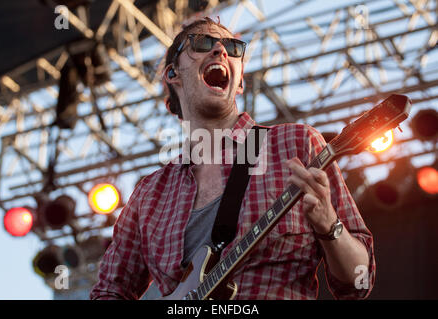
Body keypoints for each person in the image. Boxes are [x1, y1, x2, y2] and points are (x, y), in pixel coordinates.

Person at [90, 17, 375, 300]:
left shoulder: (296, 144)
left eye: (233, 48)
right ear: (173, 74)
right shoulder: (149, 194)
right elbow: (108, 291)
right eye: (202, 43)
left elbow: (360, 281)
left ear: (239, 83)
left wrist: (329, 226)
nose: (220, 51)